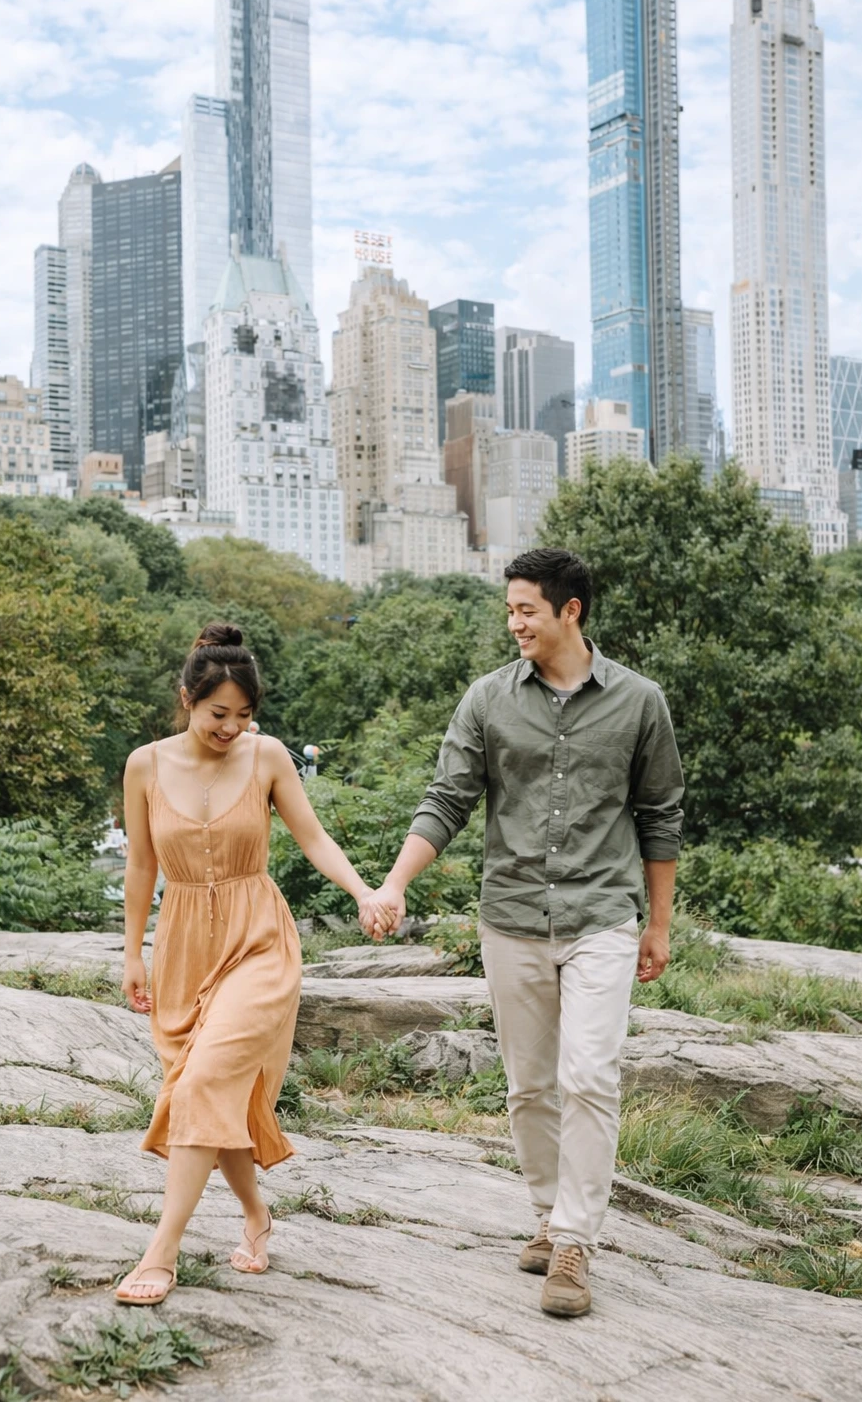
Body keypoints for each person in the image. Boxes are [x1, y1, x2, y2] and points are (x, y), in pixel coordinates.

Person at [363, 549, 684, 1318]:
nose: (514, 624)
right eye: (509, 610)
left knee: (590, 1076)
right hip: (510, 917)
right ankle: (547, 1216)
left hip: (603, 915)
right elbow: (447, 799)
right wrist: (395, 882)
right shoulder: (488, 700)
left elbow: (660, 815)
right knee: (530, 1086)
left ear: (569, 611)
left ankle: (574, 1242)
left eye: (525, 610)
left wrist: (659, 924)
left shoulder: (640, 702)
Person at [116, 623, 390, 1305]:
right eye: (218, 714)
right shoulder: (144, 765)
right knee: (214, 1091)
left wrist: (364, 891)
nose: (231, 728)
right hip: (182, 945)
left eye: (243, 715)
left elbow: (313, 838)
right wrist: (132, 954)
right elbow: (140, 867)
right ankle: (258, 1215)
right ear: (186, 699)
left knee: (203, 1082)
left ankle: (162, 1249)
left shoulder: (268, 757)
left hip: (259, 941)